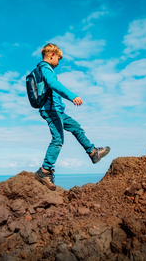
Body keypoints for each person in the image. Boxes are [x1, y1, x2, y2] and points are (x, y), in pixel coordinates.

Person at [34, 43, 110, 191]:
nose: (59, 62)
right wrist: (72, 96)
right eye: (58, 59)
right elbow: (53, 84)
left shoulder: (42, 69)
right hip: (51, 110)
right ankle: (44, 171)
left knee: (76, 127)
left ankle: (93, 153)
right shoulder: (45, 68)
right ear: (52, 55)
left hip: (57, 111)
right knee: (58, 140)